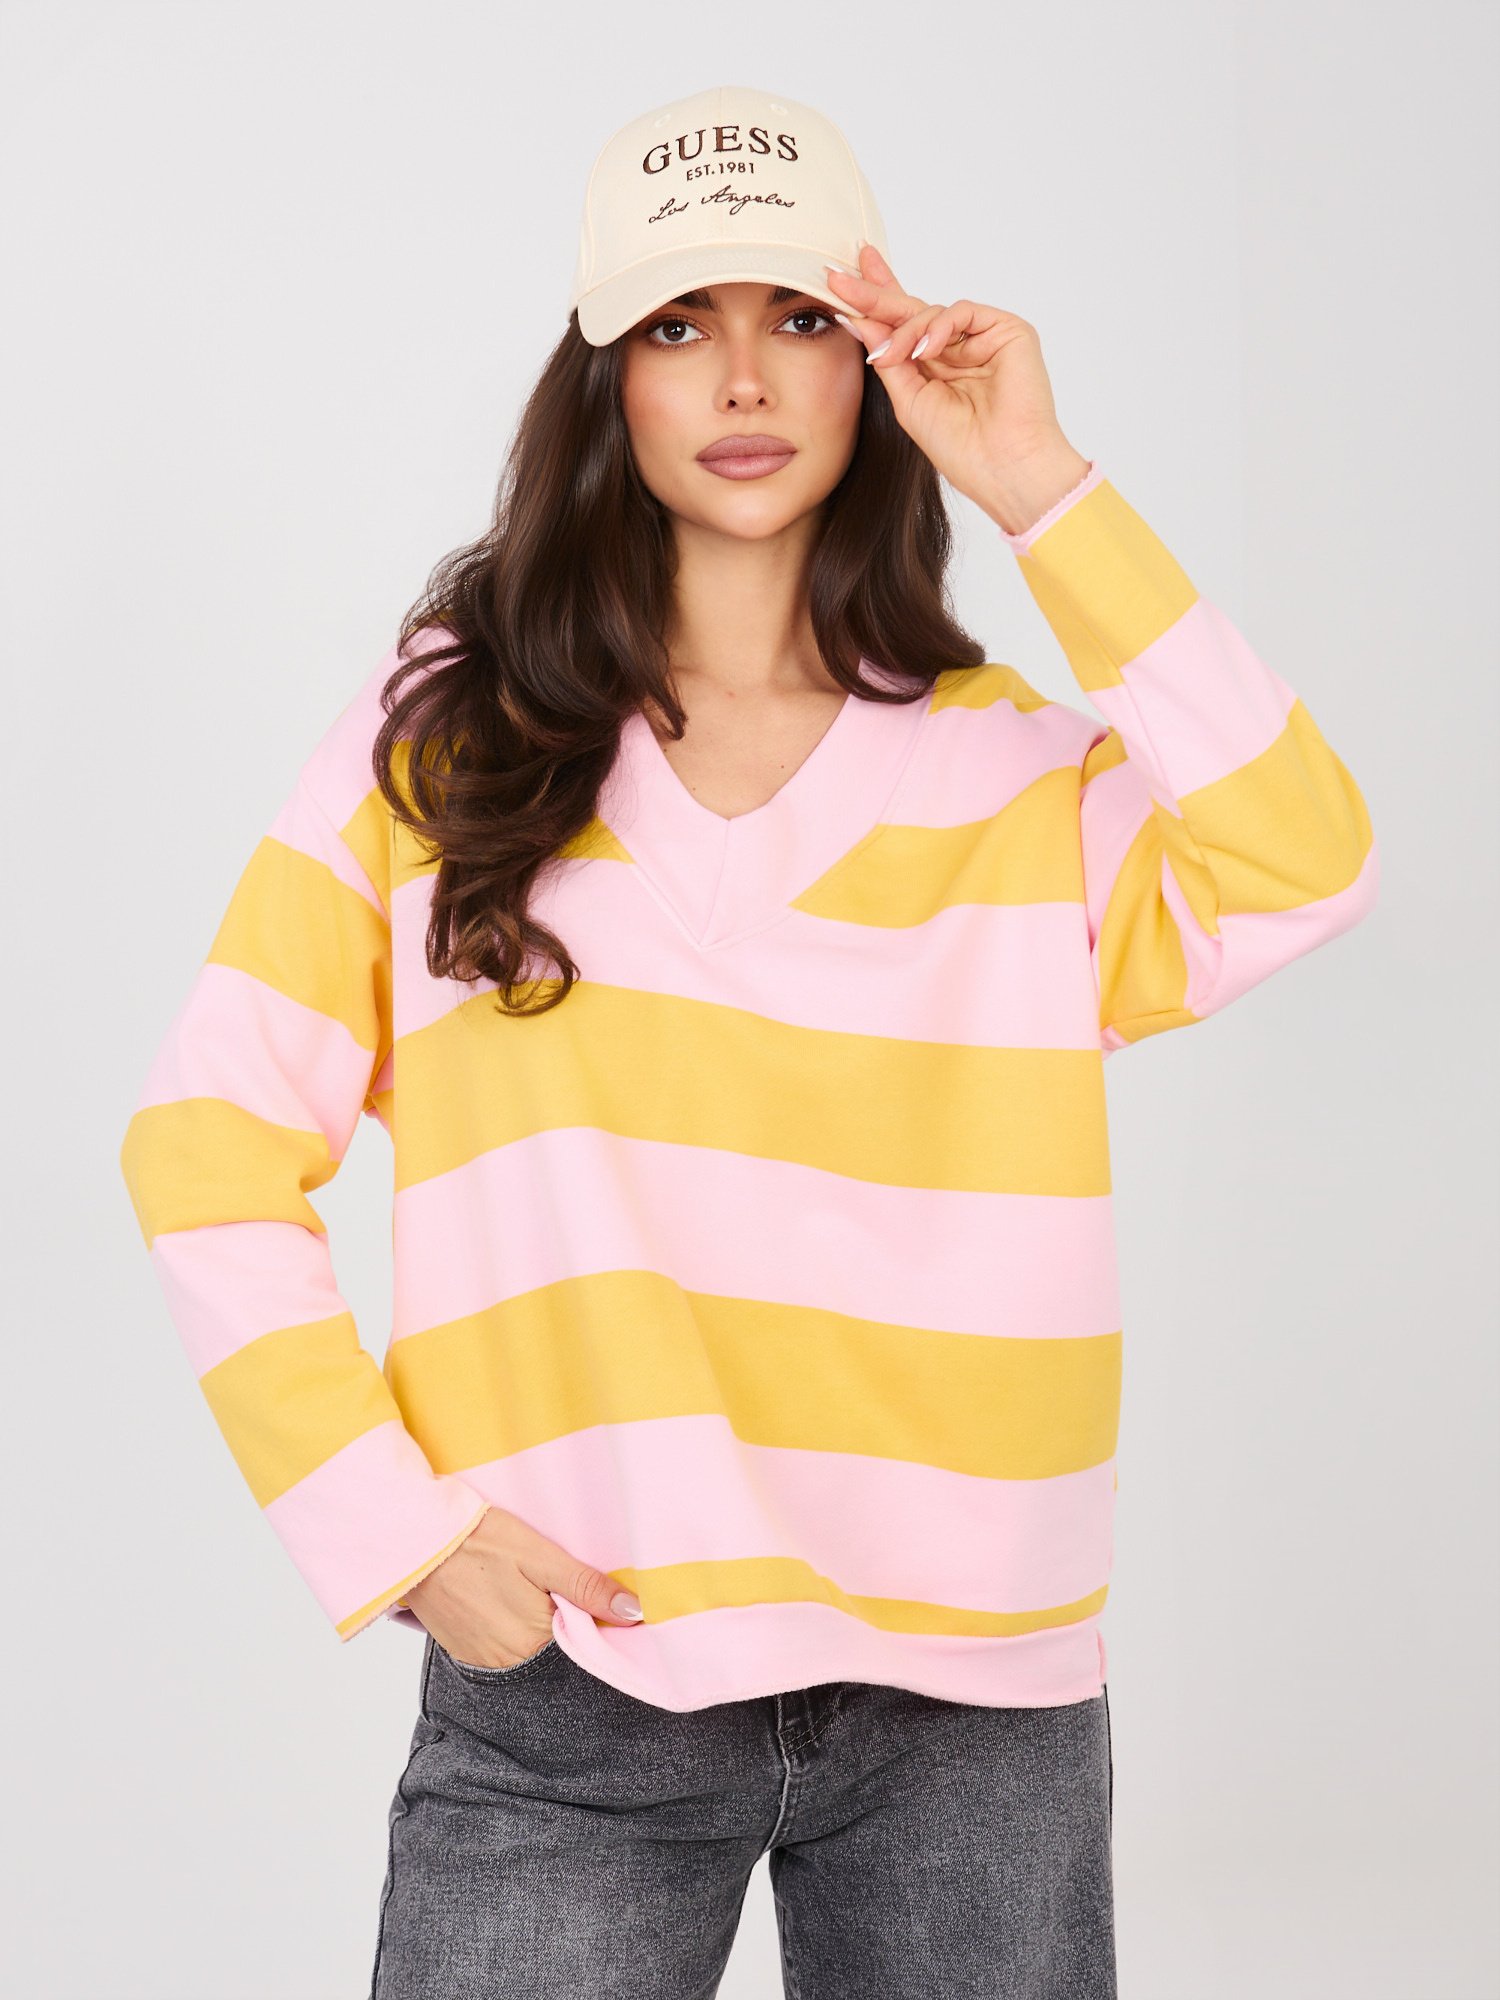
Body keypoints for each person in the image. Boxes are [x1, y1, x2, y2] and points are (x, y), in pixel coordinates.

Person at [119, 81, 1378, 1999]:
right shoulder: (447, 748)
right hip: (578, 1678)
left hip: (977, 1709)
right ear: (604, 382)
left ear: (874, 364)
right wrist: (392, 1530)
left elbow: (1305, 863)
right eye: (675, 324)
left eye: (801, 317)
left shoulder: (1015, 776)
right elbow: (207, 1139)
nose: (742, 377)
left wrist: (1040, 483)